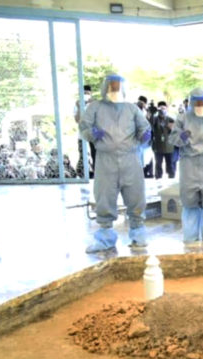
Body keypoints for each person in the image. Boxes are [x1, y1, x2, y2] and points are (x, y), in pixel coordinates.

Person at [79, 73, 152, 253]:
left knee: (136, 195)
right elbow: (84, 126)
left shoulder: (132, 109)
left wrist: (145, 135)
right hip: (105, 159)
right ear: (105, 87)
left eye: (118, 85)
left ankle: (138, 235)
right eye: (111, 85)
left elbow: (144, 126)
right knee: (104, 195)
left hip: (131, 158)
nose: (115, 88)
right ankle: (105, 238)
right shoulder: (95, 107)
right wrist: (92, 134)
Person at [170, 87, 203, 245]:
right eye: (197, 102)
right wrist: (181, 137)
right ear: (191, 102)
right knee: (189, 201)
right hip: (189, 164)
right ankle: (190, 237)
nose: (200, 105)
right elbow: (173, 139)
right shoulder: (182, 119)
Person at [74, 84, 96, 178]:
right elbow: (77, 120)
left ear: (91, 93)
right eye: (84, 93)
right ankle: (83, 175)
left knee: (96, 155)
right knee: (83, 155)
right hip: (82, 134)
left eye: (87, 93)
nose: (86, 95)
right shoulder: (77, 104)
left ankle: (97, 175)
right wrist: (79, 107)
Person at [151, 101, 176, 179]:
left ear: (167, 109)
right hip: (158, 146)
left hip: (169, 146)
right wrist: (151, 114)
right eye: (160, 109)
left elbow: (176, 131)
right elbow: (149, 125)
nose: (162, 110)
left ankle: (171, 177)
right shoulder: (155, 119)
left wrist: (172, 128)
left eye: (164, 108)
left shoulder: (171, 119)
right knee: (158, 163)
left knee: (170, 164)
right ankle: (158, 177)